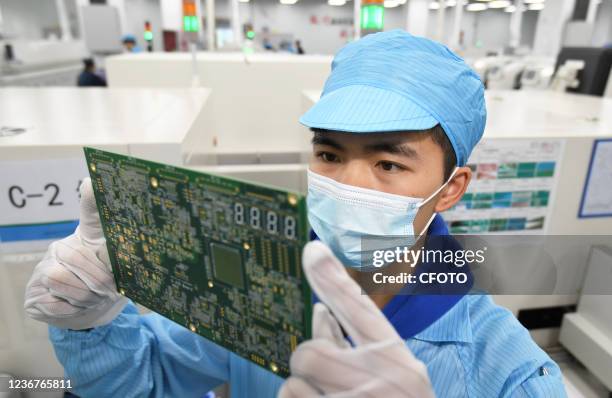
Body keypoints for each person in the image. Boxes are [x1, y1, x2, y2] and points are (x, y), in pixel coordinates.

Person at [24, 30, 567, 397]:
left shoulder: (506, 369)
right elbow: (149, 381)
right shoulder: (254, 285)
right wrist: (92, 323)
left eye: (388, 163)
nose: (349, 183)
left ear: (451, 189)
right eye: (329, 154)